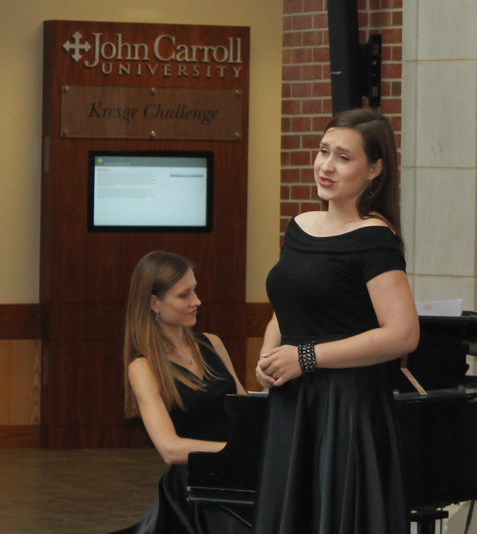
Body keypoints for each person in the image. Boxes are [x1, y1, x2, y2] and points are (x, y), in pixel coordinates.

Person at [254, 108, 420, 534]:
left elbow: (402, 334)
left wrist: (305, 357)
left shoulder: (375, 239)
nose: (326, 166)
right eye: (324, 151)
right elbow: (288, 303)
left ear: (374, 169)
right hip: (293, 402)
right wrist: (269, 355)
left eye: (344, 157)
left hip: (346, 408)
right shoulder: (299, 226)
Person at [107, 250, 249, 534]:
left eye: (194, 291)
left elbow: (244, 411)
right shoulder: (143, 367)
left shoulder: (212, 343)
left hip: (236, 474)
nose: (196, 301)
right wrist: (233, 452)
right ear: (154, 303)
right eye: (184, 295)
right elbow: (169, 449)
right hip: (193, 485)